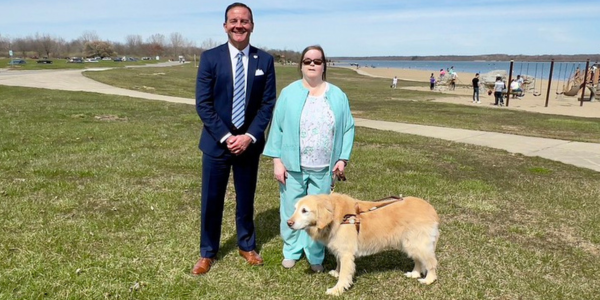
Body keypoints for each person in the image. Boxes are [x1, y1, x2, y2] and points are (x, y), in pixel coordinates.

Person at [192, 2, 277, 275]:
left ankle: (246, 245)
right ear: (225, 25)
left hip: (249, 147)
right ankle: (208, 252)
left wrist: (249, 136)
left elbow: (267, 104)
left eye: (245, 20)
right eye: (234, 21)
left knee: (246, 198)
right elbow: (203, 104)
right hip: (217, 144)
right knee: (212, 199)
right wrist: (228, 137)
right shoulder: (210, 58)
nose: (239, 25)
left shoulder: (264, 61)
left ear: (252, 25)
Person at [263, 45, 355, 273]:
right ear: (301, 65)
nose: (312, 64)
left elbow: (347, 128)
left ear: (324, 65)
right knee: (291, 211)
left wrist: (342, 159)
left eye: (317, 61)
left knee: (319, 215)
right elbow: (278, 128)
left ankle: (315, 254)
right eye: (307, 61)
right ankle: (291, 251)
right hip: (293, 166)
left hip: (323, 168)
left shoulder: (337, 95)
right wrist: (277, 161)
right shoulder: (289, 93)